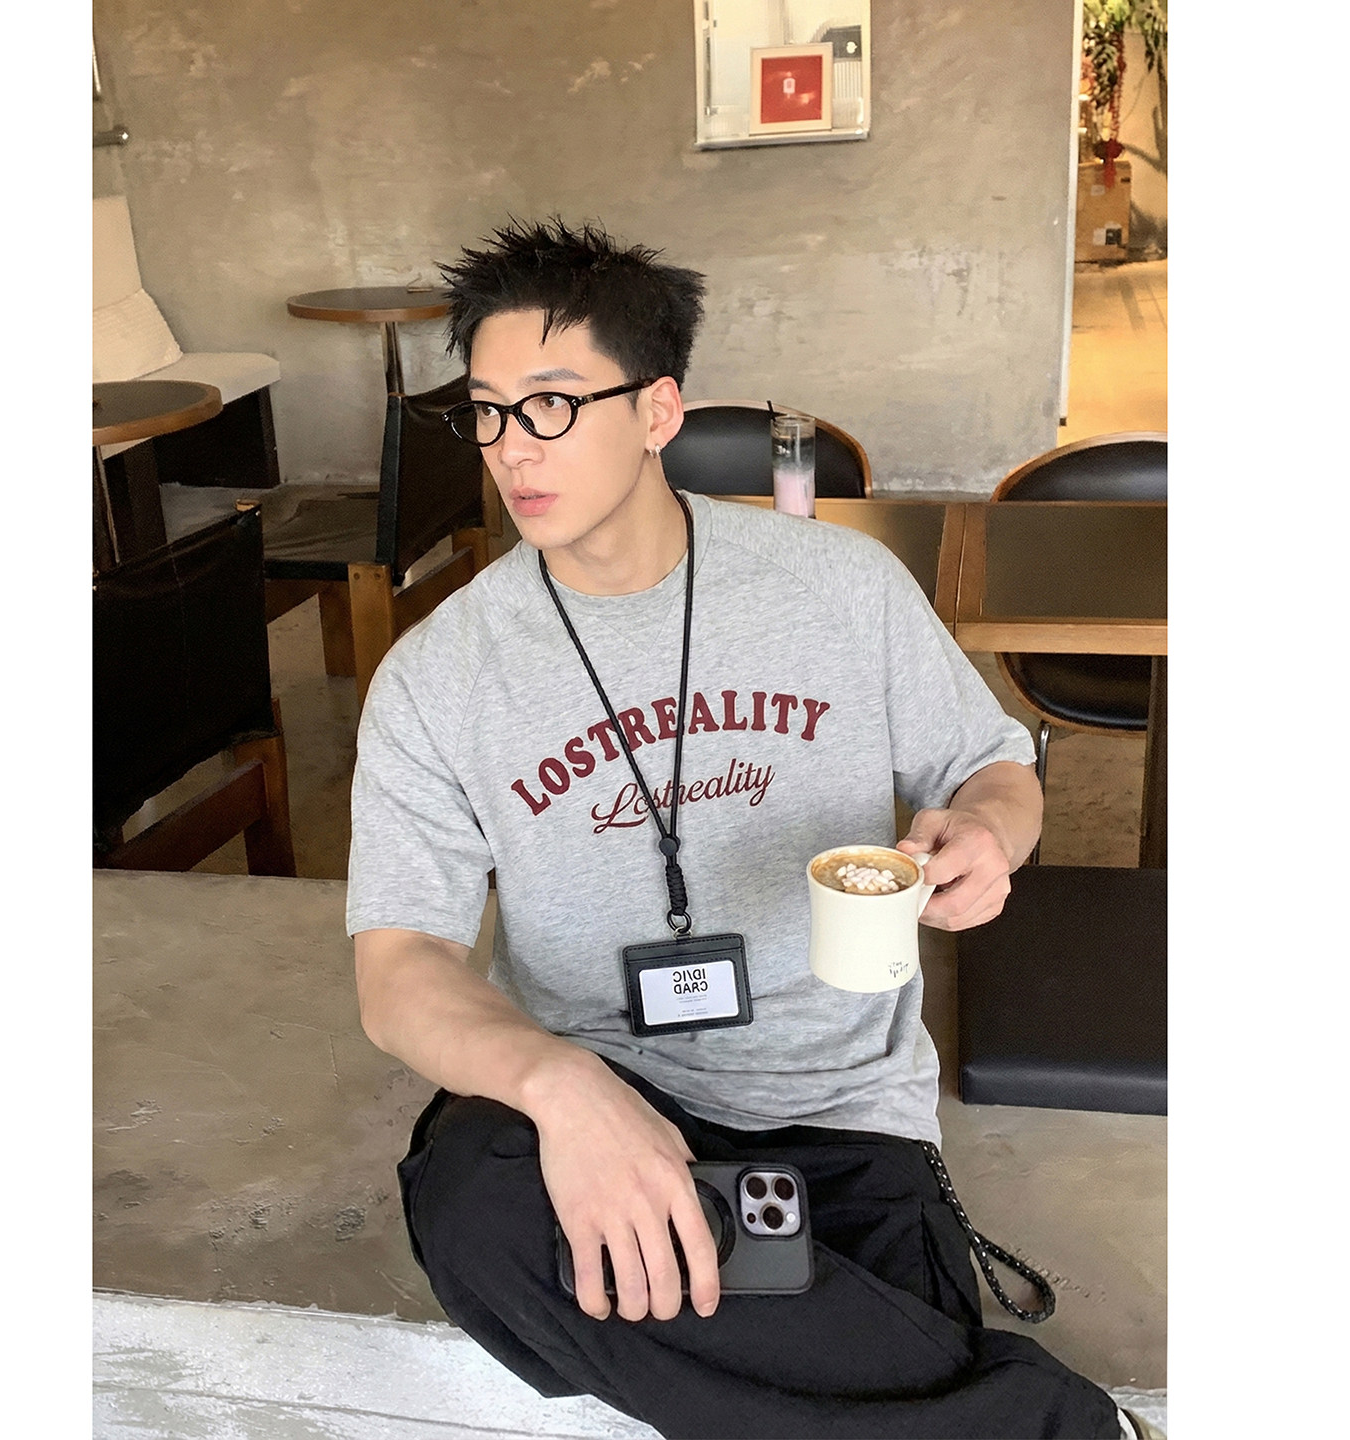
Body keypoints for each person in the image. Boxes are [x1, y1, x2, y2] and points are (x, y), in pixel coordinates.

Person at [347, 218, 1154, 1440]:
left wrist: (991, 830)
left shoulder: (839, 587)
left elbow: (989, 762)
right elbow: (399, 965)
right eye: (490, 411)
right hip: (607, 1094)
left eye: (552, 404)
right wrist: (560, 1086)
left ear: (658, 410)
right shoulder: (438, 675)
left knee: (864, 1306)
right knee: (477, 1205)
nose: (513, 448)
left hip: (840, 1105)